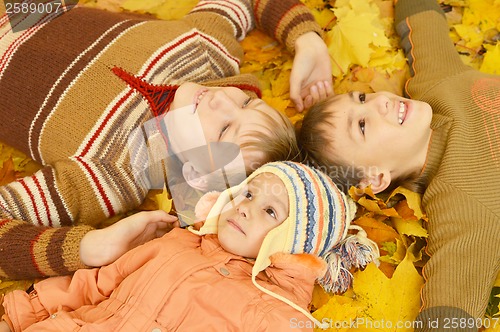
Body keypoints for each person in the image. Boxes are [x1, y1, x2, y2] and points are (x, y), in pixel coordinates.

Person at [0, 0, 333, 279]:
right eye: (247, 102)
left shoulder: (110, 174)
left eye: (223, 130)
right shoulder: (206, 50)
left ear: (197, 173)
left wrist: (88, 248)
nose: (222, 100)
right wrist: (307, 39)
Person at [298, 0, 500, 328]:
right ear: (376, 177)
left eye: (361, 98)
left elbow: (420, 19)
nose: (379, 102)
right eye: (362, 125)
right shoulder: (465, 205)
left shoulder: (437, 85)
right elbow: (448, 311)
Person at [0, 161, 378, 331]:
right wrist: (22, 313)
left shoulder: (277, 316)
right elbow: (94, 284)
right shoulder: (178, 242)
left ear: (294, 243)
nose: (245, 208)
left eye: (269, 210)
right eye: (247, 193)